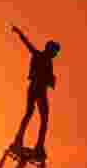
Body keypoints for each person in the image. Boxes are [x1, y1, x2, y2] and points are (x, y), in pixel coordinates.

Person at [10, 25, 60, 161]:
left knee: (31, 114)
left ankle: (24, 140)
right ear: (50, 50)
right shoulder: (41, 56)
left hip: (35, 88)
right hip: (37, 89)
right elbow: (28, 45)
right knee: (42, 118)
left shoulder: (47, 60)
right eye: (55, 52)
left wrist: (51, 79)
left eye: (56, 53)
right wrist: (19, 33)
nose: (55, 55)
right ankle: (32, 144)